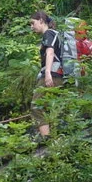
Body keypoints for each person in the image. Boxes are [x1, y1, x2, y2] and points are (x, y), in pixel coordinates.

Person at [29, 11, 66, 139]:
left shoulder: (48, 34)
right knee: (51, 106)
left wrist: (48, 73)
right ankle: (56, 139)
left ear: (41, 20)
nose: (31, 27)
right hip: (59, 75)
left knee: (36, 106)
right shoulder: (55, 34)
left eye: (33, 23)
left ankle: (47, 140)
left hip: (52, 75)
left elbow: (50, 52)